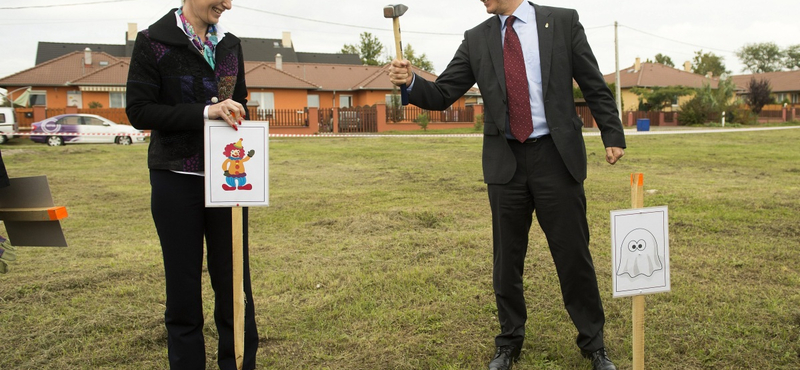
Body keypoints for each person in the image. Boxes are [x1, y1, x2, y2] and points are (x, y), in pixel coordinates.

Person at [389, 1, 625, 369]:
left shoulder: (562, 22)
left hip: (556, 159)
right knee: (507, 261)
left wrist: (612, 133)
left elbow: (592, 83)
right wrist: (411, 82)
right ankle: (509, 342)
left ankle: (594, 345)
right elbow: (442, 94)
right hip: (505, 163)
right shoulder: (476, 39)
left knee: (573, 256)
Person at [125, 1, 258, 369]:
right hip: (174, 179)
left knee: (235, 286)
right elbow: (138, 110)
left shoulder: (231, 45)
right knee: (183, 290)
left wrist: (237, 114)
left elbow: (239, 100)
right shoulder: (153, 41)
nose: (228, 4)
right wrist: (205, 111)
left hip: (228, 183)